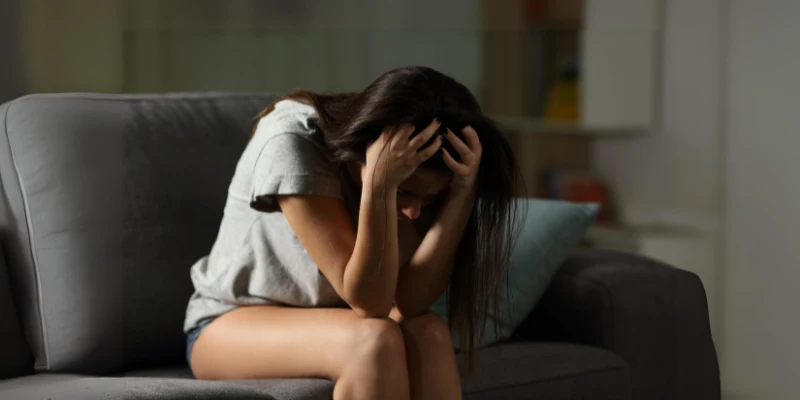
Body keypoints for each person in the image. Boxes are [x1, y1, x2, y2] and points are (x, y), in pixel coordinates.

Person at [184, 66, 522, 400]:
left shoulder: (418, 170)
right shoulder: (292, 140)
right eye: (406, 192)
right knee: (374, 340)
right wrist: (380, 186)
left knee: (430, 333)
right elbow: (372, 303)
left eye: (429, 198)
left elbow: (411, 301)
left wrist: (461, 194)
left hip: (341, 320)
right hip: (228, 321)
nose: (415, 211)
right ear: (364, 151)